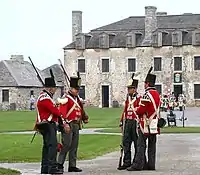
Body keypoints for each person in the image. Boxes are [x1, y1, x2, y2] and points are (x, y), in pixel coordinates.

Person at [127, 66, 161, 171]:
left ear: (147, 84)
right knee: (152, 146)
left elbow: (141, 110)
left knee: (141, 145)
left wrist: (136, 109)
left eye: (144, 83)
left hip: (145, 124)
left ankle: (137, 165)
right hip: (154, 123)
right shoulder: (157, 94)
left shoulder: (146, 95)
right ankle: (151, 165)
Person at [34, 73, 65, 174]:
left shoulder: (44, 97)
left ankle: (45, 168)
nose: (55, 90)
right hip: (47, 124)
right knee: (52, 146)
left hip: (46, 124)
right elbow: (55, 111)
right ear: (51, 89)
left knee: (47, 146)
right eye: (54, 88)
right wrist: (59, 108)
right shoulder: (45, 98)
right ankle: (52, 168)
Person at [57, 76, 89, 173]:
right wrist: (64, 124)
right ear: (71, 89)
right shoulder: (65, 98)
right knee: (66, 145)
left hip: (76, 124)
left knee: (74, 145)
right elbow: (61, 113)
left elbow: (80, 110)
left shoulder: (76, 99)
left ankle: (72, 165)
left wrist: (84, 118)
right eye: (76, 89)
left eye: (78, 89)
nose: (78, 91)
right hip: (68, 124)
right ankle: (59, 164)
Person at [117, 73, 141, 170]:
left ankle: (135, 162)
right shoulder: (128, 99)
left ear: (134, 89)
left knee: (136, 143)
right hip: (128, 122)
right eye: (128, 88)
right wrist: (121, 122)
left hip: (135, 122)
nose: (128, 90)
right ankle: (126, 162)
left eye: (130, 88)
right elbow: (125, 110)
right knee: (126, 143)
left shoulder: (139, 99)